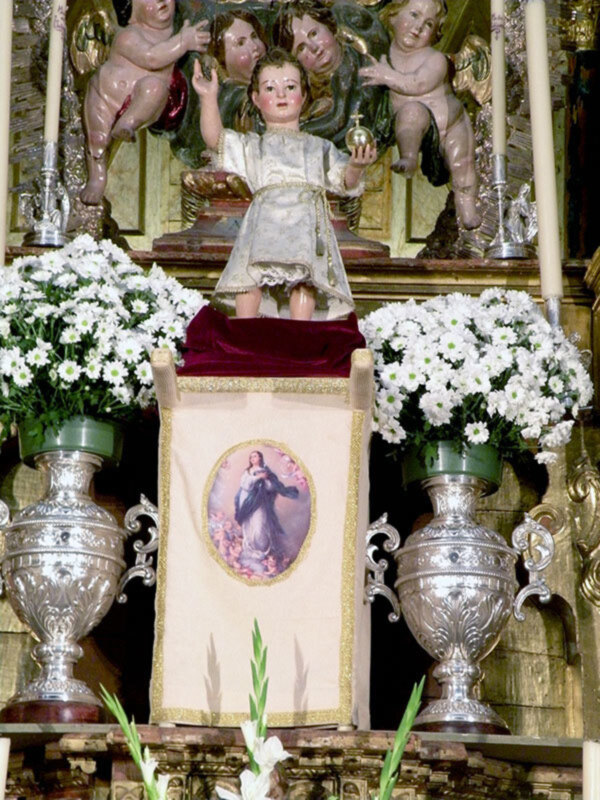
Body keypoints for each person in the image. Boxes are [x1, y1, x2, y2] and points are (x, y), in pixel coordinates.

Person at [192, 47, 377, 319]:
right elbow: (216, 140)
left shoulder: (319, 147)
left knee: (304, 277)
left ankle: (299, 334)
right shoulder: (254, 145)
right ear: (256, 98)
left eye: (290, 87)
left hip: (304, 221)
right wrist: (208, 98)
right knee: (250, 275)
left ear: (304, 96)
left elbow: (343, 181)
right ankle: (245, 333)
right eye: (270, 88)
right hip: (264, 219)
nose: (281, 95)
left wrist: (356, 166)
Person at [358, 0, 481, 229]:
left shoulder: (435, 59)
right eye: (413, 15)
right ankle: (409, 157)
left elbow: (417, 83)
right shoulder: (384, 53)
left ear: (435, 34)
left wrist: (387, 77)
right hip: (412, 120)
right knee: (411, 114)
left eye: (428, 24)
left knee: (462, 164)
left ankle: (467, 205)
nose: (418, 27)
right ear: (392, 16)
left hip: (451, 124)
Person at [80, 0, 210, 205]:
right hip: (105, 95)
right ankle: (97, 179)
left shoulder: (176, 30)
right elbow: (152, 58)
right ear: (131, 12)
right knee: (97, 139)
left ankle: (127, 123)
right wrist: (183, 42)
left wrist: (184, 39)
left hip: (145, 98)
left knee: (154, 88)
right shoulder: (128, 36)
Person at [276, 0, 392, 152]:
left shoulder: (368, 62)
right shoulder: (305, 104)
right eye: (301, 48)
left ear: (330, 27)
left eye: (314, 34)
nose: (314, 48)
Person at [234, 451, 299, 573]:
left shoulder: (266, 471)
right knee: (248, 528)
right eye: (251, 456)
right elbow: (245, 485)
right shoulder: (247, 472)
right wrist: (257, 478)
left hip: (260, 503)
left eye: (255, 455)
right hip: (247, 503)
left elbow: (271, 487)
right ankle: (251, 553)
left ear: (260, 457)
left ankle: (263, 551)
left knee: (260, 527)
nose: (252, 458)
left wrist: (265, 481)